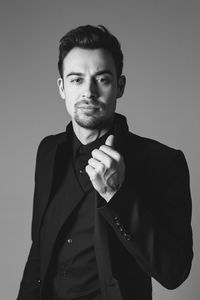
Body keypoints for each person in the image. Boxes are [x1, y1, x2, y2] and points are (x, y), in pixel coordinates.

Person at [17, 25, 193, 300]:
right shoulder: (48, 151)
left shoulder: (163, 162)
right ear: (62, 87)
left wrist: (117, 195)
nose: (89, 91)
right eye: (76, 79)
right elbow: (39, 250)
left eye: (102, 79)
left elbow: (174, 272)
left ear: (120, 86)